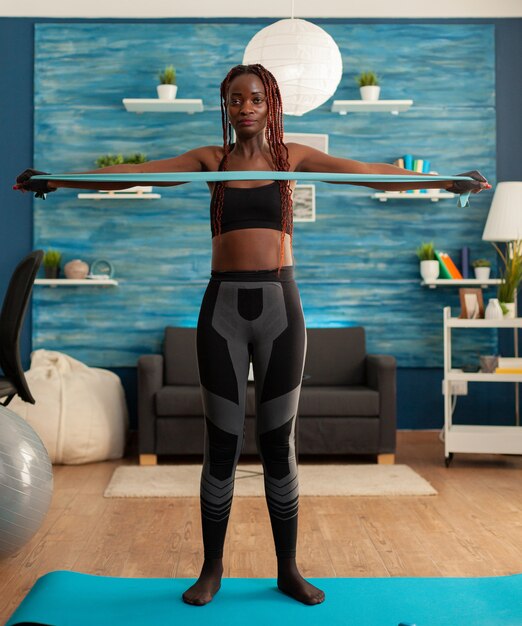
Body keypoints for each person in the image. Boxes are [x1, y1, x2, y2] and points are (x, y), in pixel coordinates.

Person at [14, 63, 490, 607]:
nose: (245, 107)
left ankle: (287, 569)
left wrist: (443, 181)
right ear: (226, 106)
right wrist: (55, 180)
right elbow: (136, 171)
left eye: (255, 98)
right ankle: (211, 568)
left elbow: (365, 171)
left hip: (281, 309)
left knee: (276, 444)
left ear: (272, 103)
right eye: (235, 99)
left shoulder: (294, 158)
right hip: (222, 309)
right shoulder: (208, 161)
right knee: (220, 445)